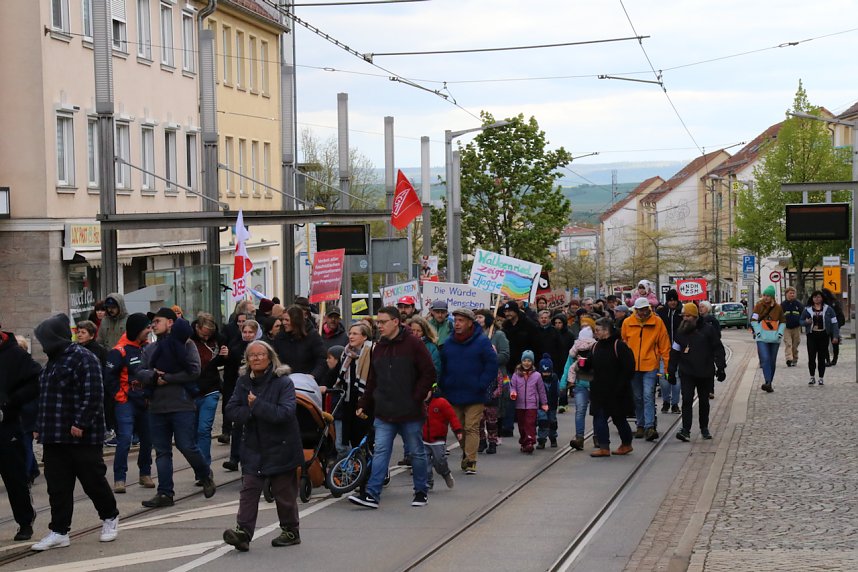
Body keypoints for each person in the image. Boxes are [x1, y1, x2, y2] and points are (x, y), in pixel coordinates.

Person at [32, 313, 119, 551]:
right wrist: (39, 426)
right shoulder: (51, 362)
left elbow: (93, 394)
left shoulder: (84, 358)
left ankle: (110, 517)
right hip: (54, 436)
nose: (42, 344)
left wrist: (81, 422)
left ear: (55, 338)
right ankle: (59, 531)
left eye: (45, 339)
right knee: (57, 486)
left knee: (92, 481)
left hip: (81, 436)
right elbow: (45, 399)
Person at [349, 306, 435, 509]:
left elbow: (429, 373)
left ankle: (421, 491)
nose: (379, 326)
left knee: (416, 452)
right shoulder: (378, 347)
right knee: (380, 452)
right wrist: (364, 403)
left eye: (383, 322)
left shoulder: (413, 344)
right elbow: (373, 378)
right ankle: (372, 494)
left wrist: (416, 397)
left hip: (410, 411)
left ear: (395, 322)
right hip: (384, 411)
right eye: (378, 322)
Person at [222, 341, 304, 551]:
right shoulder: (243, 382)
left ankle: (290, 531)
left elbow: (285, 413)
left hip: (281, 445)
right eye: (252, 355)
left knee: (283, 493)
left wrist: (256, 405)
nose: (256, 358)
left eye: (261, 355)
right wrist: (251, 412)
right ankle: (243, 533)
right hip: (253, 446)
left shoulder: (283, 382)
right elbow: (231, 410)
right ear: (247, 360)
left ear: (270, 357)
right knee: (249, 490)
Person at [137, 307, 215, 507]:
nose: (153, 325)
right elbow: (139, 372)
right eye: (152, 323)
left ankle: (205, 474)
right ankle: (165, 493)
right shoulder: (150, 349)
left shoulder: (186, 345)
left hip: (181, 404)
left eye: (158, 321)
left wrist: (167, 378)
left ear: (170, 322)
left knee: (186, 445)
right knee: (162, 451)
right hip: (157, 406)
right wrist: (154, 377)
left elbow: (194, 371)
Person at [438, 308, 497, 474]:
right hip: (453, 392)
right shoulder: (449, 343)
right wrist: (444, 383)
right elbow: (442, 366)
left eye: (461, 320)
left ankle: (471, 459)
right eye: (455, 320)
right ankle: (466, 450)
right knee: (459, 427)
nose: (457, 324)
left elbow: (491, 365)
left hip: (475, 393)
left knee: (471, 427)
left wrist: (481, 383)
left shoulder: (482, 342)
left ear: (470, 323)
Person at [103, 313, 155, 493]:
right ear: (136, 330)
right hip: (126, 402)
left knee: (148, 439)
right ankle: (119, 478)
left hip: (145, 401)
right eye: (146, 328)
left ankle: (145, 473)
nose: (149, 331)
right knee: (125, 438)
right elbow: (109, 379)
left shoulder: (148, 348)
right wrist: (120, 397)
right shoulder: (119, 351)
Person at [0, 317, 41, 542]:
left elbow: (36, 381)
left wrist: (11, 402)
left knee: (14, 477)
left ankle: (25, 521)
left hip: (7, 426)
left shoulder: (15, 354)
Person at [669, 304, 726, 442]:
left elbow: (718, 348)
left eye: (688, 316)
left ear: (695, 316)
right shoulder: (680, 332)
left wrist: (721, 367)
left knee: (704, 401)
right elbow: (675, 352)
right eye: (684, 316)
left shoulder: (708, 330)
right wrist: (670, 371)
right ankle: (685, 430)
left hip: (705, 371)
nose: (685, 318)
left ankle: (704, 427)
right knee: (687, 400)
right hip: (687, 371)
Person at [621, 297, 671, 441]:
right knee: (637, 397)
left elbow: (665, 346)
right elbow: (624, 344)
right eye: (640, 310)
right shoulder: (627, 323)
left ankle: (649, 426)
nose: (643, 313)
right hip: (633, 366)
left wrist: (667, 368)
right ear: (635, 310)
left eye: (645, 309)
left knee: (648, 395)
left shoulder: (657, 322)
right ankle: (640, 424)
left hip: (650, 364)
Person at [588, 318, 636, 458]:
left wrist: (620, 386)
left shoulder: (619, 346)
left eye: (597, 330)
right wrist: (583, 365)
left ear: (606, 331)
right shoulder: (595, 346)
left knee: (619, 418)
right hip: (599, 390)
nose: (595, 333)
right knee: (599, 417)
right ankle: (604, 447)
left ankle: (626, 444)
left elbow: (629, 368)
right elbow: (591, 365)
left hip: (616, 392)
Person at [222, 318, 260, 471]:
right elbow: (230, 368)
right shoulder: (236, 347)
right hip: (240, 390)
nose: (247, 335)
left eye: (250, 332)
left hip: (256, 391)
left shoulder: (261, 347)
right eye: (244, 332)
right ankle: (234, 457)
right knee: (238, 424)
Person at [191, 312, 228, 467]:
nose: (206, 338)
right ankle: (198, 466)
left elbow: (222, 361)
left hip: (211, 389)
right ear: (197, 328)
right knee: (192, 433)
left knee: (204, 430)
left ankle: (204, 468)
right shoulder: (188, 339)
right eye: (203, 334)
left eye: (209, 335)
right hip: (192, 391)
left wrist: (225, 356)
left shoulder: (219, 339)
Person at [333, 323, 373, 451]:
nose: (351, 336)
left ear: (364, 336)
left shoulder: (371, 352)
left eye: (355, 334)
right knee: (351, 438)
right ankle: (356, 467)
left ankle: (368, 467)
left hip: (366, 400)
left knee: (365, 437)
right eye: (350, 333)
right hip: (348, 400)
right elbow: (337, 373)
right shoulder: (346, 353)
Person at [474, 309, 509, 455]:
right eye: (476, 317)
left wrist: (491, 357)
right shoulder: (475, 336)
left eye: (480, 317)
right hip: (479, 379)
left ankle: (493, 440)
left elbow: (505, 355)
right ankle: (481, 441)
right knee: (479, 417)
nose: (477, 319)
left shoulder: (498, 335)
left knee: (493, 416)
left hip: (495, 379)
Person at [218, 311, 253, 446]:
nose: (241, 324)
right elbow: (226, 352)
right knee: (229, 402)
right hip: (231, 376)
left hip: (247, 380)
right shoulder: (232, 334)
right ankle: (226, 431)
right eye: (239, 322)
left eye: (243, 321)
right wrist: (225, 355)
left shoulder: (255, 340)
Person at [562, 318, 597, 450]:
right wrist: (563, 383)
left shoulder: (594, 347)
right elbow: (568, 365)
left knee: (593, 411)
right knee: (582, 410)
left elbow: (569, 367)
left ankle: (596, 436)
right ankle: (580, 437)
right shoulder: (580, 348)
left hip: (593, 384)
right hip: (581, 384)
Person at [272, 306, 327, 381]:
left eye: (287, 320)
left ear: (296, 320)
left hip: (307, 383)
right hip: (285, 382)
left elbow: (321, 359)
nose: (284, 323)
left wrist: (313, 376)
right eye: (282, 319)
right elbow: (275, 360)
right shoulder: (280, 338)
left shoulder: (312, 336)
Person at [422, 388, 462, 490]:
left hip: (438, 439)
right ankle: (428, 481)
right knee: (424, 462)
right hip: (423, 439)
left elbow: (452, 416)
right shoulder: (418, 404)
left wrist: (457, 430)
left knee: (439, 461)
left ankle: (445, 473)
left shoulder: (441, 402)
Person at [509, 350, 548, 453]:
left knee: (529, 423)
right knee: (521, 425)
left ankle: (530, 442)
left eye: (529, 361)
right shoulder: (516, 375)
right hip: (520, 404)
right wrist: (513, 393)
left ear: (532, 362)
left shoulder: (537, 376)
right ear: (521, 361)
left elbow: (541, 390)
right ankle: (524, 441)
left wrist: (544, 403)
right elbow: (512, 387)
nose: (527, 363)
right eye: (525, 360)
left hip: (532, 404)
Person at [750, 286, 785, 393]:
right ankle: (768, 382)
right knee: (765, 358)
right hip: (762, 338)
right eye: (764, 295)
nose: (765, 298)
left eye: (768, 296)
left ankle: (769, 382)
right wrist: (758, 332)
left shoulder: (778, 308)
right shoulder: (758, 306)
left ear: (772, 297)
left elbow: (783, 322)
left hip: (774, 338)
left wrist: (779, 334)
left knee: (772, 361)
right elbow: (753, 320)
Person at [801, 290, 840, 386]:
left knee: (821, 357)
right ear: (812, 299)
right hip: (812, 335)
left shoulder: (828, 309)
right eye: (814, 297)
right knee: (811, 357)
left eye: (818, 297)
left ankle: (821, 378)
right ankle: (812, 377)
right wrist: (806, 322)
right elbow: (801, 321)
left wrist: (835, 336)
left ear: (822, 298)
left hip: (823, 335)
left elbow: (834, 323)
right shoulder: (807, 309)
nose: (816, 299)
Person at [656, 289, 682, 415]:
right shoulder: (661, 312)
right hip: (663, 352)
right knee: (664, 378)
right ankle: (666, 401)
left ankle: (675, 403)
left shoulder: (682, 313)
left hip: (678, 352)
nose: (672, 302)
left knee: (676, 378)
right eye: (670, 300)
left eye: (674, 300)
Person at [536, 354, 559, 449]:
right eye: (544, 372)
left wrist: (560, 396)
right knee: (543, 422)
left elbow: (557, 390)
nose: (546, 374)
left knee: (552, 421)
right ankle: (541, 440)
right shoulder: (538, 379)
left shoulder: (554, 378)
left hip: (552, 405)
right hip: (541, 405)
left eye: (548, 372)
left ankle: (553, 438)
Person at [821, 288, 845, 367]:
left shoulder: (834, 303)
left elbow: (840, 315)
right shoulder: (821, 303)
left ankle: (834, 359)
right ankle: (828, 360)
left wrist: (838, 326)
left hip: (834, 326)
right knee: (824, 344)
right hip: (824, 326)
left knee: (834, 343)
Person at [781, 287, 803, 367]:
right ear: (786, 294)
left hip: (796, 327)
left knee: (795, 344)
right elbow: (780, 315)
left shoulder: (798, 304)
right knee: (788, 343)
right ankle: (789, 359)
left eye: (793, 293)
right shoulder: (783, 305)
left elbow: (803, 314)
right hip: (786, 328)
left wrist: (802, 322)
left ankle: (795, 358)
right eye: (790, 293)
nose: (792, 295)